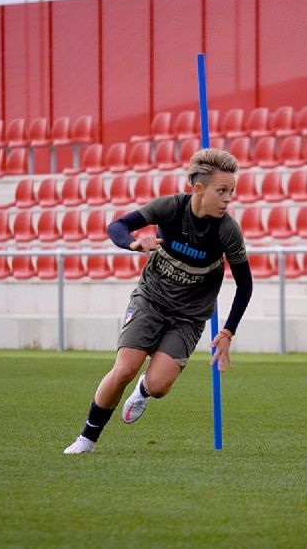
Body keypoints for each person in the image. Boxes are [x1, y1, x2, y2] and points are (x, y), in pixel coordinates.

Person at [64, 147, 253, 454]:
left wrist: (228, 331)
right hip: (150, 301)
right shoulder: (170, 207)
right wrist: (135, 243)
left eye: (231, 191)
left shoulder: (227, 231)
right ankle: (86, 439)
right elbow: (117, 226)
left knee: (159, 386)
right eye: (222, 191)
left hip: (189, 317)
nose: (228, 198)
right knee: (124, 369)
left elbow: (245, 285)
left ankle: (143, 390)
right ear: (199, 189)